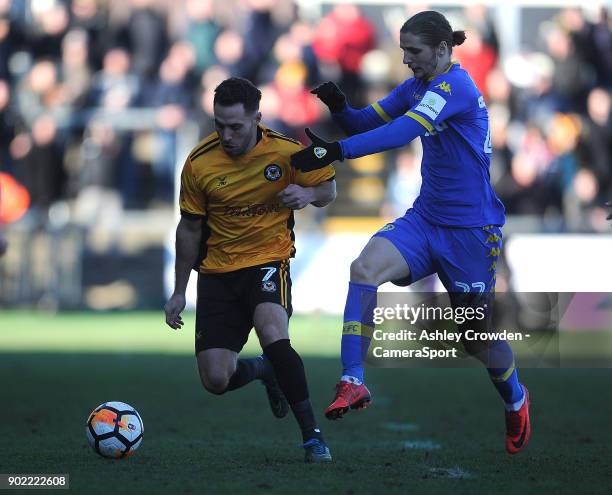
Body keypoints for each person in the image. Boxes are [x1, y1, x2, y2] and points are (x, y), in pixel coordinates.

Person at [291, 11, 530, 455]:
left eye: (413, 52)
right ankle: (352, 380)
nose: (406, 60)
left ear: (441, 50)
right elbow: (370, 122)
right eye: (403, 51)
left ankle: (516, 398)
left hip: (470, 233)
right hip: (426, 220)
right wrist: (341, 108)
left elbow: (402, 132)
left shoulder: (455, 86)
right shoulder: (418, 85)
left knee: (475, 338)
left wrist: (337, 151)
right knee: (363, 268)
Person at [164, 77, 336, 463]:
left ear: (257, 118)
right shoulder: (198, 163)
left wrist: (307, 194)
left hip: (266, 261)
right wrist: (178, 291)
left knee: (273, 331)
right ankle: (263, 371)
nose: (226, 134)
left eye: (236, 126)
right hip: (217, 273)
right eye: (219, 125)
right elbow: (189, 228)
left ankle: (312, 437)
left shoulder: (287, 152)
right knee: (216, 379)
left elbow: (329, 189)